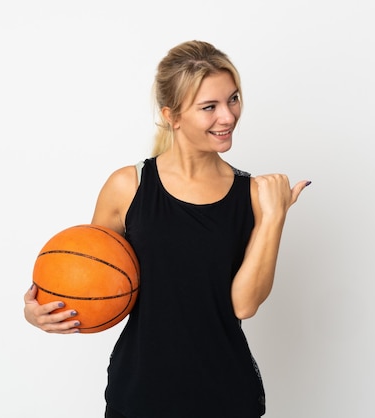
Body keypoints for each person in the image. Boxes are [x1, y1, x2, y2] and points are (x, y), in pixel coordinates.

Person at [24, 40, 310, 418]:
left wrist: (274, 218)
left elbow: (243, 304)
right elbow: (91, 283)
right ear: (171, 116)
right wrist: (42, 312)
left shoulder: (255, 196)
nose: (228, 116)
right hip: (140, 393)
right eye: (210, 107)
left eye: (233, 99)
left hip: (225, 395)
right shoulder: (128, 186)